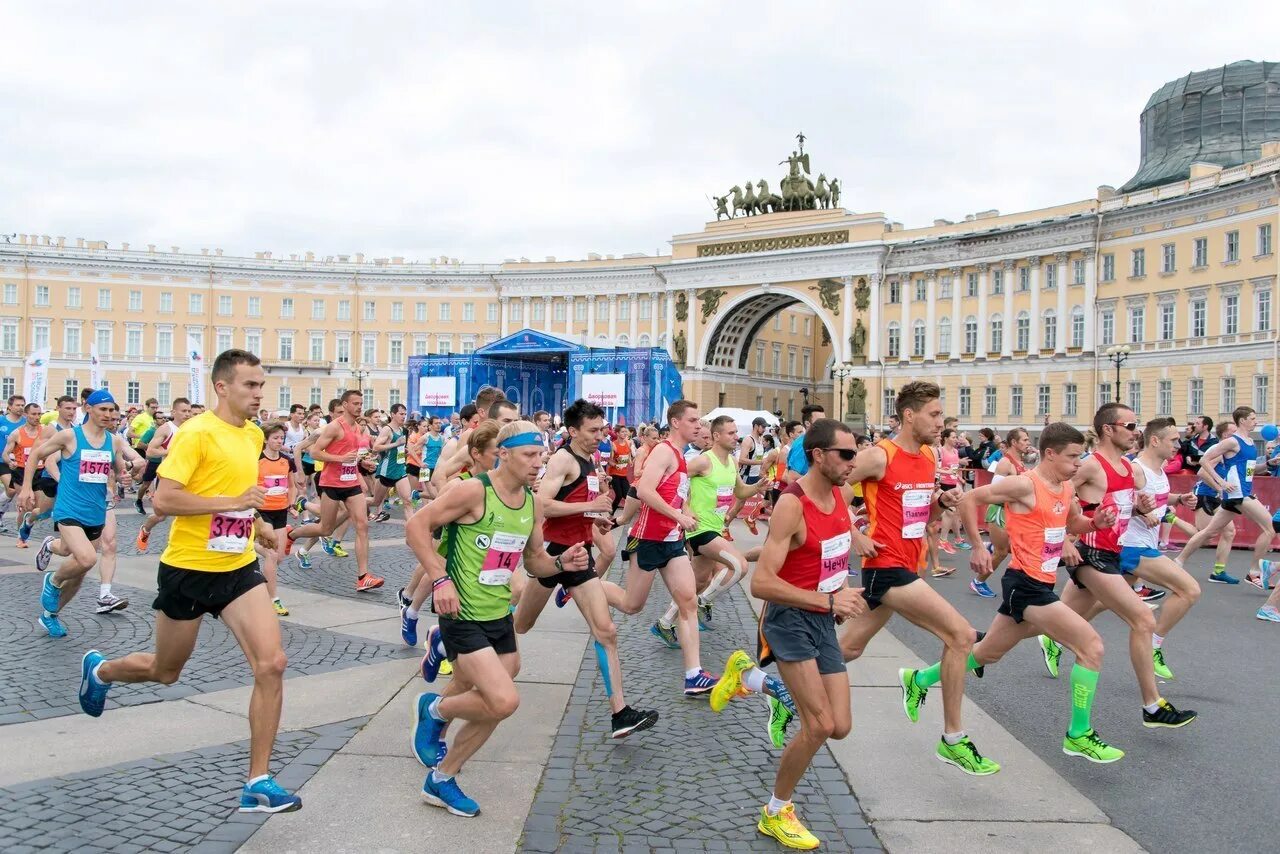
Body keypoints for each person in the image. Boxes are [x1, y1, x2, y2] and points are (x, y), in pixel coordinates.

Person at [76, 350, 303, 813]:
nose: (259, 393)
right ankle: (101, 670)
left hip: (237, 567)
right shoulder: (196, 433)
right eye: (250, 385)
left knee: (272, 663)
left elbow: (239, 495)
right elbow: (165, 499)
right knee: (166, 670)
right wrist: (232, 499)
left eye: (262, 385)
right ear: (222, 386)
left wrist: (256, 522)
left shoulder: (255, 433)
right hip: (188, 568)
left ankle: (258, 780)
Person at [904, 422, 1126, 763]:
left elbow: (1072, 525)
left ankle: (919, 679)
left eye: (1080, 456)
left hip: (1042, 581)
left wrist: (1096, 524)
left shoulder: (1065, 487)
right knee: (1091, 647)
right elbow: (970, 499)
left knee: (986, 654)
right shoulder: (1025, 484)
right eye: (1072, 457)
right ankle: (1078, 734)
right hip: (1026, 585)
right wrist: (979, 547)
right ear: (1049, 454)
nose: (1078, 464)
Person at [407, 420, 590, 818]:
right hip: (462, 613)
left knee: (497, 695)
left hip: (498, 615)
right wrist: (440, 578)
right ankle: (437, 713)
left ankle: (441, 773)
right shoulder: (473, 491)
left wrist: (561, 561)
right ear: (503, 454)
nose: (538, 463)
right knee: (503, 700)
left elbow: (534, 561)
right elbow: (416, 527)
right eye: (529, 455)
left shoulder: (532, 503)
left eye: (541, 455)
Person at [837, 381, 998, 775]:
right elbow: (829, 487)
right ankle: (953, 739)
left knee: (850, 648)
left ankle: (769, 685)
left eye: (941, 415)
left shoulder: (927, 456)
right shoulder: (879, 456)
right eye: (935, 414)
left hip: (907, 564)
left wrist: (937, 504)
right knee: (960, 636)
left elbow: (917, 515)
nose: (941, 422)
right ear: (909, 415)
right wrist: (854, 532)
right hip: (885, 567)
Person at [739, 417, 865, 850]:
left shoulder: (840, 497)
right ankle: (776, 811)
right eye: (846, 454)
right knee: (819, 723)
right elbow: (762, 583)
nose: (854, 461)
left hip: (821, 619)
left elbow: (831, 556)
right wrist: (827, 601)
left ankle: (751, 681)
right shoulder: (793, 504)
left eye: (856, 452)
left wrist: (842, 593)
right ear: (818, 455)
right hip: (789, 619)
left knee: (841, 726)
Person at [507, 400, 659, 738]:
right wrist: (589, 505)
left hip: (578, 555)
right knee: (521, 624)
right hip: (551, 554)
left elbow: (574, 506)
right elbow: (541, 503)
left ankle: (620, 713)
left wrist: (595, 519)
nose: (599, 436)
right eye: (593, 431)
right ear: (573, 431)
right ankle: (447, 641)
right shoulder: (562, 458)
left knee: (606, 631)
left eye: (601, 429)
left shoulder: (589, 461)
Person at [1049, 402, 1197, 729]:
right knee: (1143, 618)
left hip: (1112, 555)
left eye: (1136, 426)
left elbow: (1128, 506)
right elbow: (1056, 497)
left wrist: (1143, 508)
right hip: (1091, 555)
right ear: (1108, 429)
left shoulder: (1129, 469)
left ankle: (965, 656)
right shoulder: (1090, 465)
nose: (1136, 432)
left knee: (1037, 624)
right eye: (1129, 426)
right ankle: (1152, 706)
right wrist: (1064, 541)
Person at [603, 400, 719, 695]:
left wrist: (687, 511)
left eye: (700, 421)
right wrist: (677, 515)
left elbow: (677, 493)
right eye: (693, 420)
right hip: (649, 538)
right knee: (632, 604)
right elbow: (643, 490)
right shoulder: (664, 451)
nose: (699, 426)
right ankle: (583, 584)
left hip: (672, 541)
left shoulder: (681, 456)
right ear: (676, 422)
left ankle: (694, 675)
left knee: (688, 601)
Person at [24, 391, 145, 636]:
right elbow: (37, 454)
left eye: (112, 410)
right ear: (88, 408)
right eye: (103, 409)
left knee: (78, 569)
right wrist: (27, 487)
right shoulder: (70, 436)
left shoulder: (114, 441)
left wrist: (127, 475)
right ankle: (53, 581)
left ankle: (50, 615)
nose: (108, 415)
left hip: (95, 511)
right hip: (69, 508)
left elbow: (123, 472)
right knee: (88, 558)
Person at [653, 414, 769, 642]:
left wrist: (757, 486)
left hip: (715, 526)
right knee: (739, 566)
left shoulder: (732, 462)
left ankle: (664, 623)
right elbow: (671, 481)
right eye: (731, 433)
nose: (737, 437)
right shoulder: (703, 461)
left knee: (695, 583)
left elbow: (739, 491)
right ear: (716, 436)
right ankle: (704, 601)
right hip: (699, 529)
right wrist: (685, 508)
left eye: (736, 432)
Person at [1112, 418, 1202, 679]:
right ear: (1154, 440)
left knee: (1098, 601)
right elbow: (1115, 502)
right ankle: (1154, 646)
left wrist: (1180, 499)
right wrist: (1140, 512)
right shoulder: (1135, 469)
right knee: (1189, 590)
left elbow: (1159, 499)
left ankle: (1053, 638)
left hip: (1143, 544)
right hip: (1132, 545)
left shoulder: (1159, 470)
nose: (1178, 445)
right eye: (1173, 440)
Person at [286, 390, 384, 592]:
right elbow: (313, 452)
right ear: (345, 404)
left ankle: (363, 577)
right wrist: (340, 459)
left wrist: (363, 463)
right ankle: (292, 534)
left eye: (361, 403)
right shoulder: (334, 427)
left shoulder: (358, 428)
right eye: (355, 403)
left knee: (362, 525)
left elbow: (352, 455)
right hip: (332, 484)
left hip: (351, 484)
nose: (359, 406)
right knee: (325, 529)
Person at [1176, 407, 1274, 586]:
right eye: (1252, 418)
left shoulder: (1251, 442)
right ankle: (1254, 572)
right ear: (1242, 421)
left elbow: (1249, 471)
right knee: (1270, 528)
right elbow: (1205, 461)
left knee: (1209, 532)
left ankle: (1178, 562)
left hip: (1240, 493)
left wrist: (1268, 463)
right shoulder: (1232, 442)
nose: (1256, 421)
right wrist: (1221, 483)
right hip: (1238, 495)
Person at [972, 428, 1032, 598]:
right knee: (1002, 552)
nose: (1028, 443)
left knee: (1021, 549)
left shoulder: (1019, 462)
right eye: (1025, 440)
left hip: (1014, 514)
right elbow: (995, 491)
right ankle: (978, 582)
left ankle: (1026, 585)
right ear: (1014, 442)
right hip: (999, 512)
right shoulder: (1006, 463)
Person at [135, 398, 193, 553]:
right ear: (174, 412)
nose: (187, 414)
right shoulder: (167, 428)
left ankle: (182, 546)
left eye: (189, 411)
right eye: (184, 411)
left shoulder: (194, 428)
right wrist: (170, 452)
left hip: (191, 477)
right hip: (169, 476)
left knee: (191, 511)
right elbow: (150, 451)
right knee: (161, 515)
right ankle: (146, 529)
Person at [257, 421, 297, 616]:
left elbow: (292, 485)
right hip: (260, 511)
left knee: (279, 556)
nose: (279, 441)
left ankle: (248, 548)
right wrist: (262, 490)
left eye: (281, 438)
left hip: (280, 510)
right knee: (271, 555)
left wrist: (291, 503)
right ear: (265, 439)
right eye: (275, 438)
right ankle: (273, 599)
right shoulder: (256, 459)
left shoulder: (286, 460)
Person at [369, 403, 416, 523]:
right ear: (393, 414)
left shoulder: (402, 430)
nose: (403, 416)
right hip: (387, 471)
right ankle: (352, 504)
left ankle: (412, 528)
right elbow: (375, 447)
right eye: (401, 414)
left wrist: (403, 451)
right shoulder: (387, 429)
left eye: (405, 414)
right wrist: (396, 444)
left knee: (407, 501)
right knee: (376, 501)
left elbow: (399, 448)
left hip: (400, 470)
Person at [782, 405, 825, 485]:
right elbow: (792, 478)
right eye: (819, 421)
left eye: (824, 421)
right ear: (807, 423)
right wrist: (820, 484)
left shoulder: (815, 441)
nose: (824, 424)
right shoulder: (802, 444)